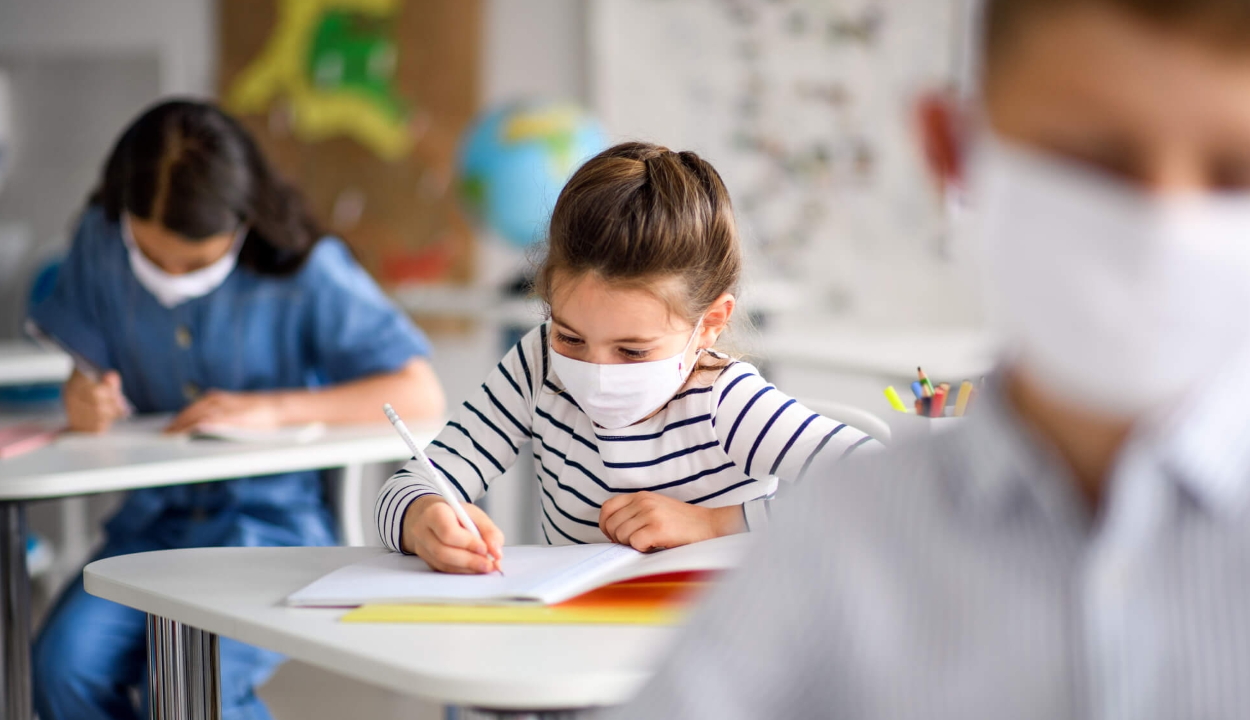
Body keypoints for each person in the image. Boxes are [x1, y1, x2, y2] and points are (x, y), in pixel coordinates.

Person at [608, 0, 1250, 717]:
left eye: (1236, 173)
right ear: (955, 150)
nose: (1161, 227)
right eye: (1094, 159)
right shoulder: (835, 541)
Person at [29, 99, 445, 720]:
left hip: (270, 529)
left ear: (242, 222)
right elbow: (82, 369)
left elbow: (420, 392)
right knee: (63, 667)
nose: (171, 277)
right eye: (151, 258)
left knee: (201, 689)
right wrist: (81, 399)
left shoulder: (306, 268)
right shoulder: (99, 240)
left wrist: (273, 408)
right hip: (149, 531)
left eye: (195, 264)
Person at [375, 142, 876, 573]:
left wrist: (715, 523)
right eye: (570, 338)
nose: (595, 373)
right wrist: (423, 517)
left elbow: (884, 489)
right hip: (576, 647)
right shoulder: (536, 365)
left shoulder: (725, 402)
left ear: (711, 323)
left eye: (632, 351)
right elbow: (413, 482)